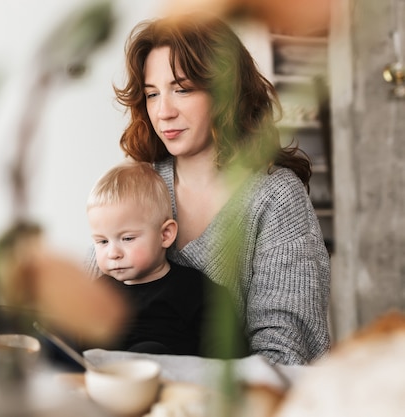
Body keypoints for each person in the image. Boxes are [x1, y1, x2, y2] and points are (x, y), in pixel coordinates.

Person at [104, 13, 331, 365]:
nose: (163, 112)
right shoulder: (139, 183)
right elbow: (90, 308)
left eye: (182, 89)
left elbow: (285, 355)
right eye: (151, 94)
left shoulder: (274, 197)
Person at [86, 160, 249, 358]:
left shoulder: (194, 290)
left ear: (165, 235)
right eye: (102, 242)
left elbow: (229, 353)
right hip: (105, 376)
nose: (113, 253)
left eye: (127, 238)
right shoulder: (100, 291)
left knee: (148, 353)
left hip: (169, 377)